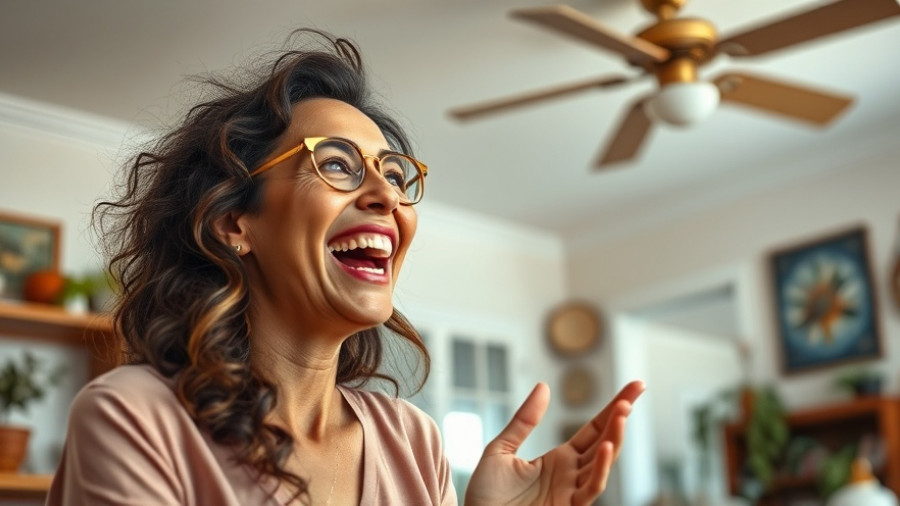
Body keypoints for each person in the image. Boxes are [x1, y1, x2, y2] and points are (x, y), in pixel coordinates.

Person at [46, 30, 644, 506]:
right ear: (235, 222)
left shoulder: (412, 441)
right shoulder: (134, 418)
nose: (386, 193)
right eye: (336, 163)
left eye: (394, 172)